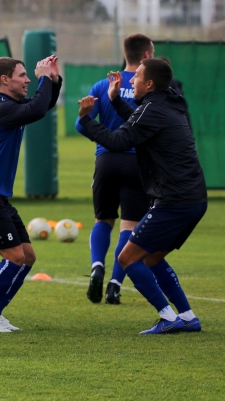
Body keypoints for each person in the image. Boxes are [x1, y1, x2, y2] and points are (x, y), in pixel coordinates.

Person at [77, 60, 207, 334]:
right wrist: (113, 100)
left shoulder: (152, 109)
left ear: (149, 84)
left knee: (128, 259)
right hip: (192, 198)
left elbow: (117, 142)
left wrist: (87, 119)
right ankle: (187, 316)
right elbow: (139, 122)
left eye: (135, 77)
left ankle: (168, 317)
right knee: (152, 258)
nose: (130, 81)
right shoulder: (169, 102)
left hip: (174, 200)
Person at [0, 55, 61, 333]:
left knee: (28, 256)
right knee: (15, 257)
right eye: (22, 75)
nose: (28, 79)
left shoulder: (11, 106)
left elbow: (44, 104)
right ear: (5, 80)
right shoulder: (0, 108)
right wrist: (44, 79)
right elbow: (38, 109)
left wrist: (52, 79)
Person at [76, 33, 153, 305]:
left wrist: (105, 142)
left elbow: (80, 124)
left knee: (103, 221)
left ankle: (97, 266)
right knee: (129, 226)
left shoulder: (104, 84)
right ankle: (115, 285)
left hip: (106, 160)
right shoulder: (149, 87)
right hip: (137, 163)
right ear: (146, 55)